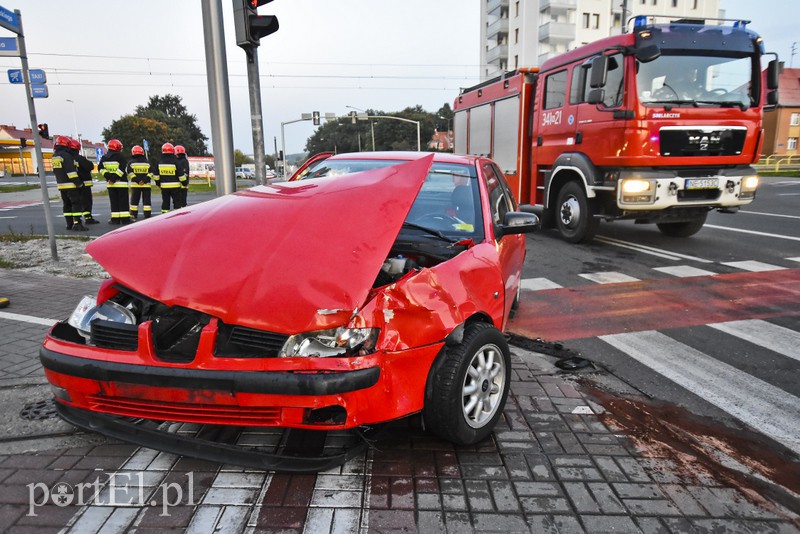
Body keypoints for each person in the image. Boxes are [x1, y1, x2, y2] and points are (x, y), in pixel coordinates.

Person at [51, 136, 87, 231]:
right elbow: (71, 171)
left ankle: (69, 223)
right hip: (70, 185)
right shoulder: (66, 156)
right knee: (75, 203)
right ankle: (77, 223)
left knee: (66, 204)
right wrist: (78, 183)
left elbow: (55, 171)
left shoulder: (55, 156)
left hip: (61, 185)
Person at [98, 139, 130, 225]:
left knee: (114, 202)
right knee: (123, 201)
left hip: (110, 184)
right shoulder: (121, 157)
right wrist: (114, 178)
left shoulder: (104, 157)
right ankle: (125, 219)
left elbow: (100, 169)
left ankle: (115, 219)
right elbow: (121, 170)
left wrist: (109, 177)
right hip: (121, 183)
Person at [70, 139, 99, 224]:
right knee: (86, 201)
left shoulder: (68, 159)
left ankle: (76, 220)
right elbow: (90, 166)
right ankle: (88, 218)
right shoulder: (79, 158)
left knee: (76, 202)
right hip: (85, 183)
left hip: (73, 184)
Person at [126, 145, 155, 219]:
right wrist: (144, 180)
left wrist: (138, 181)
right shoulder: (147, 163)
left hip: (135, 185)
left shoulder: (131, 163)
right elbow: (151, 172)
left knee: (134, 201)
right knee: (146, 201)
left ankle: (133, 215)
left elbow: (130, 173)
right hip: (146, 185)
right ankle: (147, 215)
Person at [155, 143, 183, 213]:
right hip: (175, 186)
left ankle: (165, 216)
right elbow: (181, 175)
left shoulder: (159, 161)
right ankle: (177, 217)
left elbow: (156, 175)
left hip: (164, 186)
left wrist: (158, 184)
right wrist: (184, 183)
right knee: (177, 203)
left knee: (165, 202)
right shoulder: (175, 161)